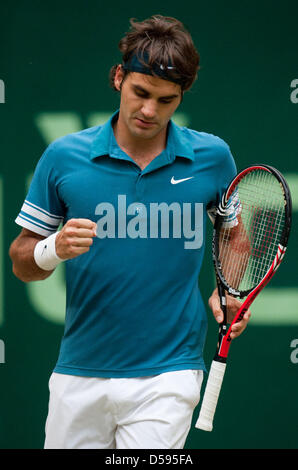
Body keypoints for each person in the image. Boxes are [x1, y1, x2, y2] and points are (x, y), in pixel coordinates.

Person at [9, 15, 250, 449]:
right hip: (78, 373)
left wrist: (229, 287)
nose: (149, 111)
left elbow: (233, 235)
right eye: (140, 92)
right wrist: (53, 248)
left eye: (166, 100)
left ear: (181, 97)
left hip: (169, 373)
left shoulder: (213, 158)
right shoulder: (64, 157)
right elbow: (23, 263)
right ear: (119, 78)